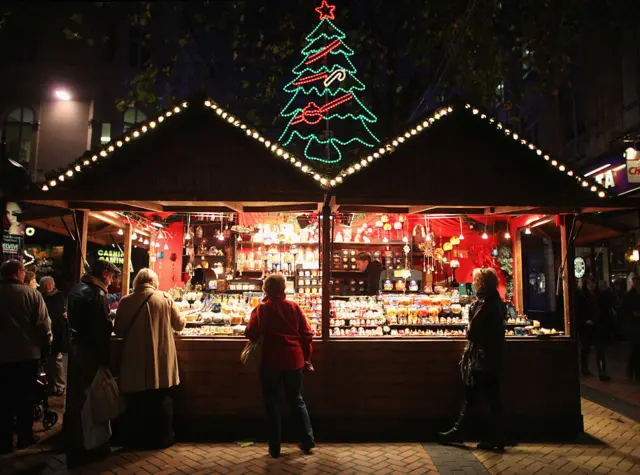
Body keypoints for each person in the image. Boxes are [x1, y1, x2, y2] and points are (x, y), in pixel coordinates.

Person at [245, 274, 315, 459]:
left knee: (272, 403)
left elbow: (250, 333)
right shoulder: (294, 307)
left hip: (270, 361)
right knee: (296, 400)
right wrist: (306, 357)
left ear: (265, 289)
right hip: (294, 359)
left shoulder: (262, 309)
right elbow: (307, 334)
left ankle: (274, 447)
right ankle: (307, 440)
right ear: (284, 289)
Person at [114, 268, 185, 449]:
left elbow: (119, 330)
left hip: (134, 360)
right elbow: (179, 324)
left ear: (136, 282)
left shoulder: (125, 301)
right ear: (154, 282)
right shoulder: (165, 299)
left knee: (136, 402)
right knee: (161, 399)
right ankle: (162, 438)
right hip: (161, 359)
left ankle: (136, 439)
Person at [438, 268, 506, 451]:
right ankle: (497, 437)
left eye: (475, 281)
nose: (473, 284)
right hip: (493, 355)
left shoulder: (484, 305)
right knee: (491, 397)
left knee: (473, 395)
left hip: (483, 358)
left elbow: (472, 332)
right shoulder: (497, 301)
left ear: (481, 284)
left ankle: (461, 432)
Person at [65, 260, 120, 461]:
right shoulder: (97, 293)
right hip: (91, 351)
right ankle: (92, 445)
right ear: (104, 273)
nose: (111, 281)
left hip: (78, 347)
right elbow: (102, 328)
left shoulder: (77, 289)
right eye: (111, 276)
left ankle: (76, 441)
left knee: (79, 397)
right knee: (92, 398)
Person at [0, 260, 51, 454]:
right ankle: (24, 437)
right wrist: (45, 349)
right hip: (26, 356)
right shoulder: (32, 295)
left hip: (2, 358)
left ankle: (3, 440)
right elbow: (44, 327)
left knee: (3, 400)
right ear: (20, 273)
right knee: (25, 399)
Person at [576, 276, 610, 381]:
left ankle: (602, 372)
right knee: (586, 348)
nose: (592, 286)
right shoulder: (582, 296)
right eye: (589, 283)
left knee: (600, 350)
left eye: (593, 283)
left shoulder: (599, 296)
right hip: (586, 326)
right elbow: (579, 310)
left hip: (597, 325)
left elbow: (603, 309)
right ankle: (584, 368)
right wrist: (585, 320)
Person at [40, 276, 69, 397]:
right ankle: (50, 385)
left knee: (57, 360)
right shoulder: (41, 297)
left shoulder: (61, 296)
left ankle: (60, 385)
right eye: (45, 285)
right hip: (45, 332)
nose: (48, 287)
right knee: (48, 362)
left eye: (50, 284)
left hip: (57, 332)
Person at [623, 275, 640, 381]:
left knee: (637, 350)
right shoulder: (629, 296)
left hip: (636, 326)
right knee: (636, 349)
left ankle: (632, 371)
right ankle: (634, 371)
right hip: (633, 327)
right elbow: (626, 312)